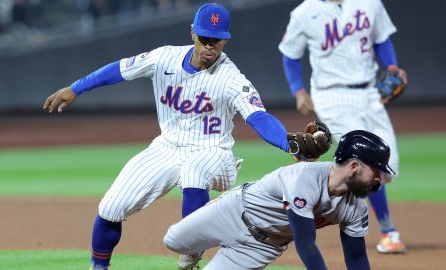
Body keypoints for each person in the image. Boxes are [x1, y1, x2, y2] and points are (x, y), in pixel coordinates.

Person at [43, 3, 329, 270]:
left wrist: (287, 142)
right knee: (110, 207)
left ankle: (191, 255)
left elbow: (259, 117)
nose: (209, 45)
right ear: (192, 32)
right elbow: (119, 69)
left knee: (193, 172)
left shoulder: (231, 78)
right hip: (166, 148)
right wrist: (76, 88)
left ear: (225, 40)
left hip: (215, 153)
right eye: (204, 37)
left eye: (216, 40)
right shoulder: (163, 57)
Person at [278, 0, 407, 254]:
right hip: (331, 95)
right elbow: (290, 54)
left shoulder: (370, 3)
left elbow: (381, 39)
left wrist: (391, 65)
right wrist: (298, 90)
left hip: (370, 93)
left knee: (387, 161)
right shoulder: (305, 12)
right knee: (365, 160)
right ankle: (388, 231)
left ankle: (317, 201)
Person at [164, 130, 392, 270]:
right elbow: (305, 243)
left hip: (263, 246)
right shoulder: (303, 179)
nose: (379, 180)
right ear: (354, 166)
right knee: (173, 241)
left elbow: (356, 258)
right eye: (376, 171)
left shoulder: (356, 209)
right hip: (234, 212)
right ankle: (195, 249)